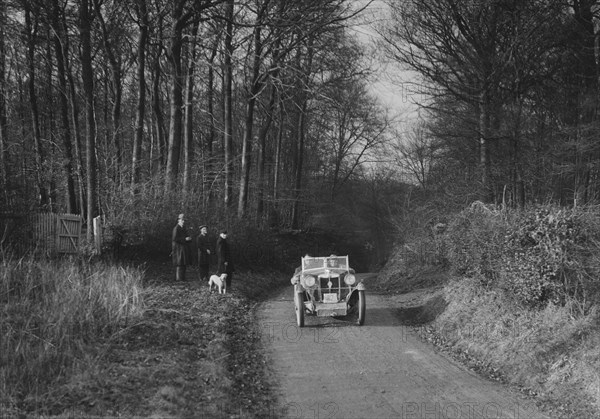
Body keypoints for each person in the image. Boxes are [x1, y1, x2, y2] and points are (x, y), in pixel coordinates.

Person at [172, 213, 192, 281]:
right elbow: (175, 239)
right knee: (179, 264)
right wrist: (184, 239)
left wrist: (189, 239)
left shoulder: (183, 228)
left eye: (184, 220)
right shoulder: (176, 228)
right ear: (178, 220)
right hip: (178, 249)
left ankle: (182, 278)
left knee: (183, 263)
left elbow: (186, 236)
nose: (183, 221)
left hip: (183, 248)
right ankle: (179, 279)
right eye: (182, 220)